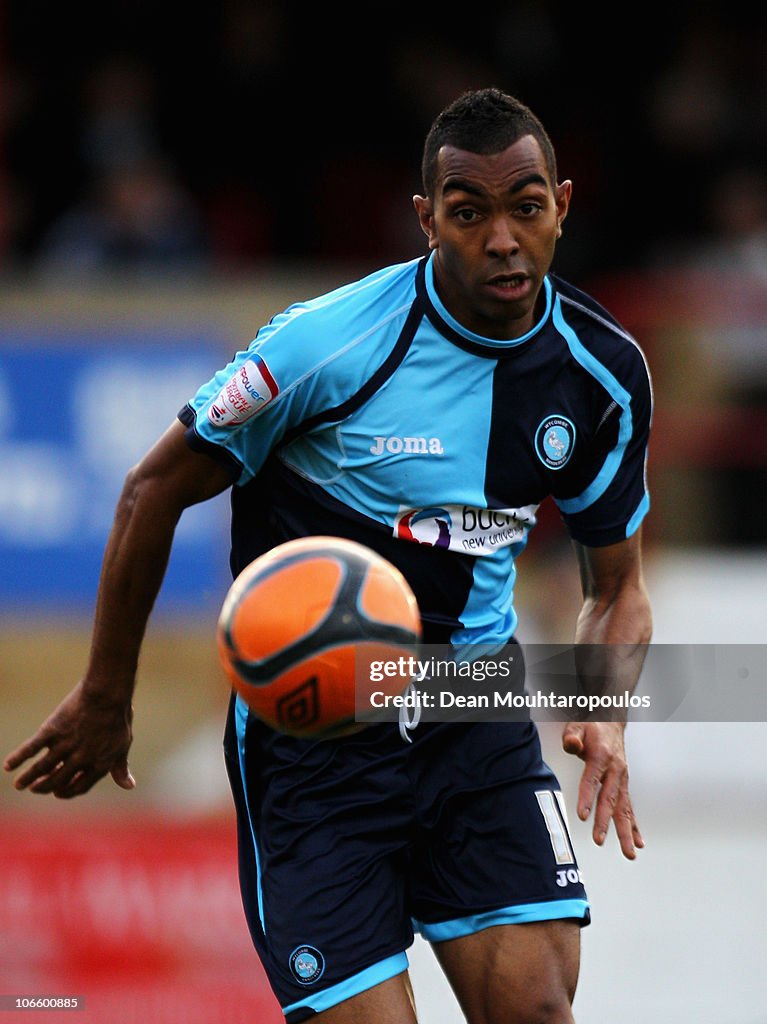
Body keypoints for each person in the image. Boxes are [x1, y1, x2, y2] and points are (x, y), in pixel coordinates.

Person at [4, 88, 652, 1023]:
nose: (503, 239)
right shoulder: (324, 345)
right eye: (470, 214)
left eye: (526, 206)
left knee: (535, 1010)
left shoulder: (602, 373)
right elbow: (152, 490)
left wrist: (603, 710)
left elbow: (618, 587)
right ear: (428, 219)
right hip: (312, 741)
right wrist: (109, 691)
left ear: (563, 202)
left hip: (472, 710)